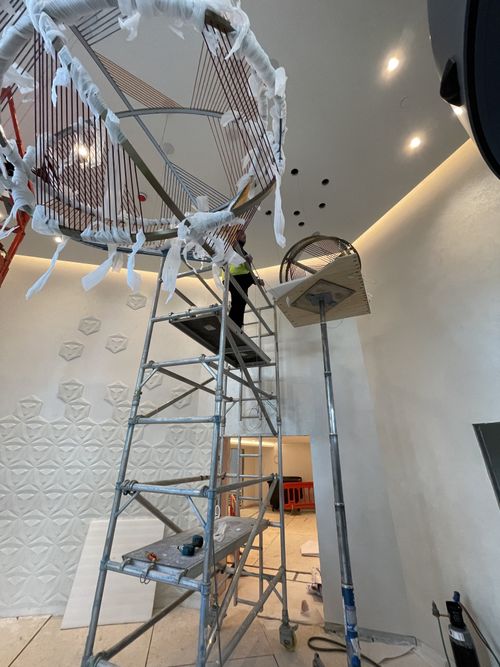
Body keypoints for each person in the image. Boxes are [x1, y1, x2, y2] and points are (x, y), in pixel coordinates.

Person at [227, 229, 263, 330]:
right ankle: (234, 326)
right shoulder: (232, 248)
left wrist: (255, 279)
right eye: (242, 234)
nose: (245, 236)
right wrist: (245, 260)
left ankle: (236, 326)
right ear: (235, 236)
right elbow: (235, 262)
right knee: (239, 301)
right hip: (234, 277)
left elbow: (246, 270)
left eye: (245, 235)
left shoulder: (242, 251)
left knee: (241, 301)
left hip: (239, 278)